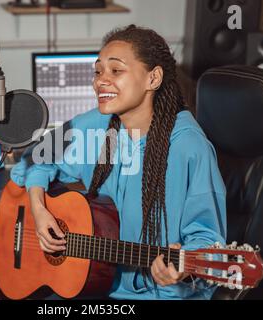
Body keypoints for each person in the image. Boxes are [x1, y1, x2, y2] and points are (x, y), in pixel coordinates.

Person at [11, 24, 227, 300]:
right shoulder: (96, 125)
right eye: (98, 71)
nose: (100, 80)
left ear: (153, 78)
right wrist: (39, 210)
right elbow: (35, 159)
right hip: (97, 283)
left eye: (116, 70)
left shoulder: (188, 146)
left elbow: (208, 242)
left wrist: (182, 267)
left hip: (160, 294)